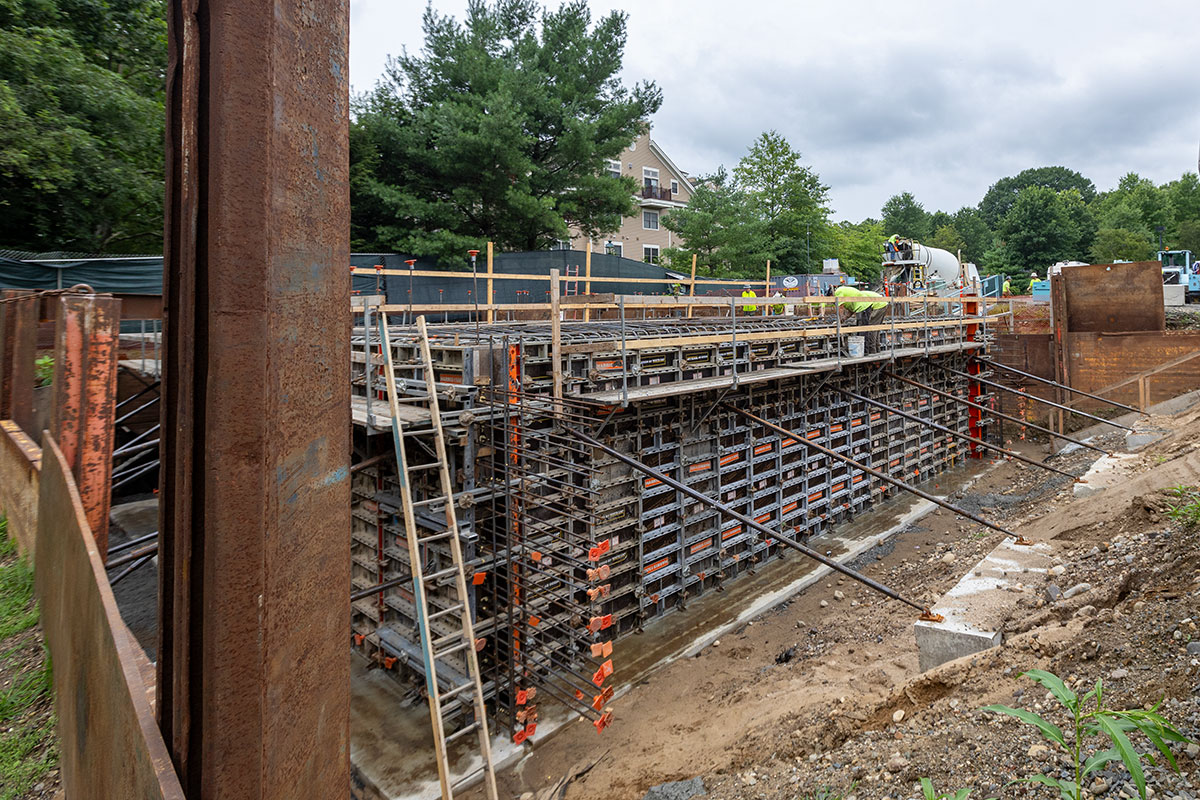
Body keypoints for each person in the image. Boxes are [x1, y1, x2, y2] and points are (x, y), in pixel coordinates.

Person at [833, 285, 889, 354]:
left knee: (870, 329)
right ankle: (876, 349)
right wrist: (842, 319)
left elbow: (840, 307)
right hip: (878, 304)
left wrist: (838, 319)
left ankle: (870, 351)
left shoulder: (838, 292)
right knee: (875, 328)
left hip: (874, 305)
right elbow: (851, 311)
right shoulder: (851, 299)